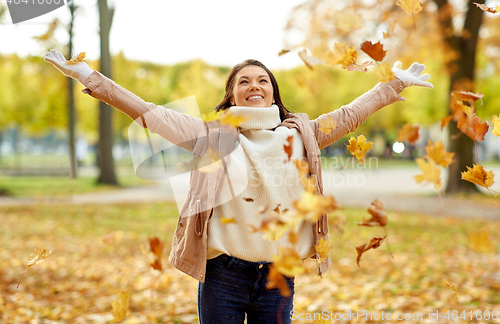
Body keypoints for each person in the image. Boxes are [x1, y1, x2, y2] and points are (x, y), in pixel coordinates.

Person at [45, 49, 432, 324]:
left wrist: (395, 82)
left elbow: (351, 114)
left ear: (273, 91)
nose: (254, 86)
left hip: (279, 275)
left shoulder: (303, 133)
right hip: (223, 275)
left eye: (263, 79)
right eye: (244, 81)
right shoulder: (210, 135)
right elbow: (149, 113)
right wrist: (88, 77)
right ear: (231, 93)